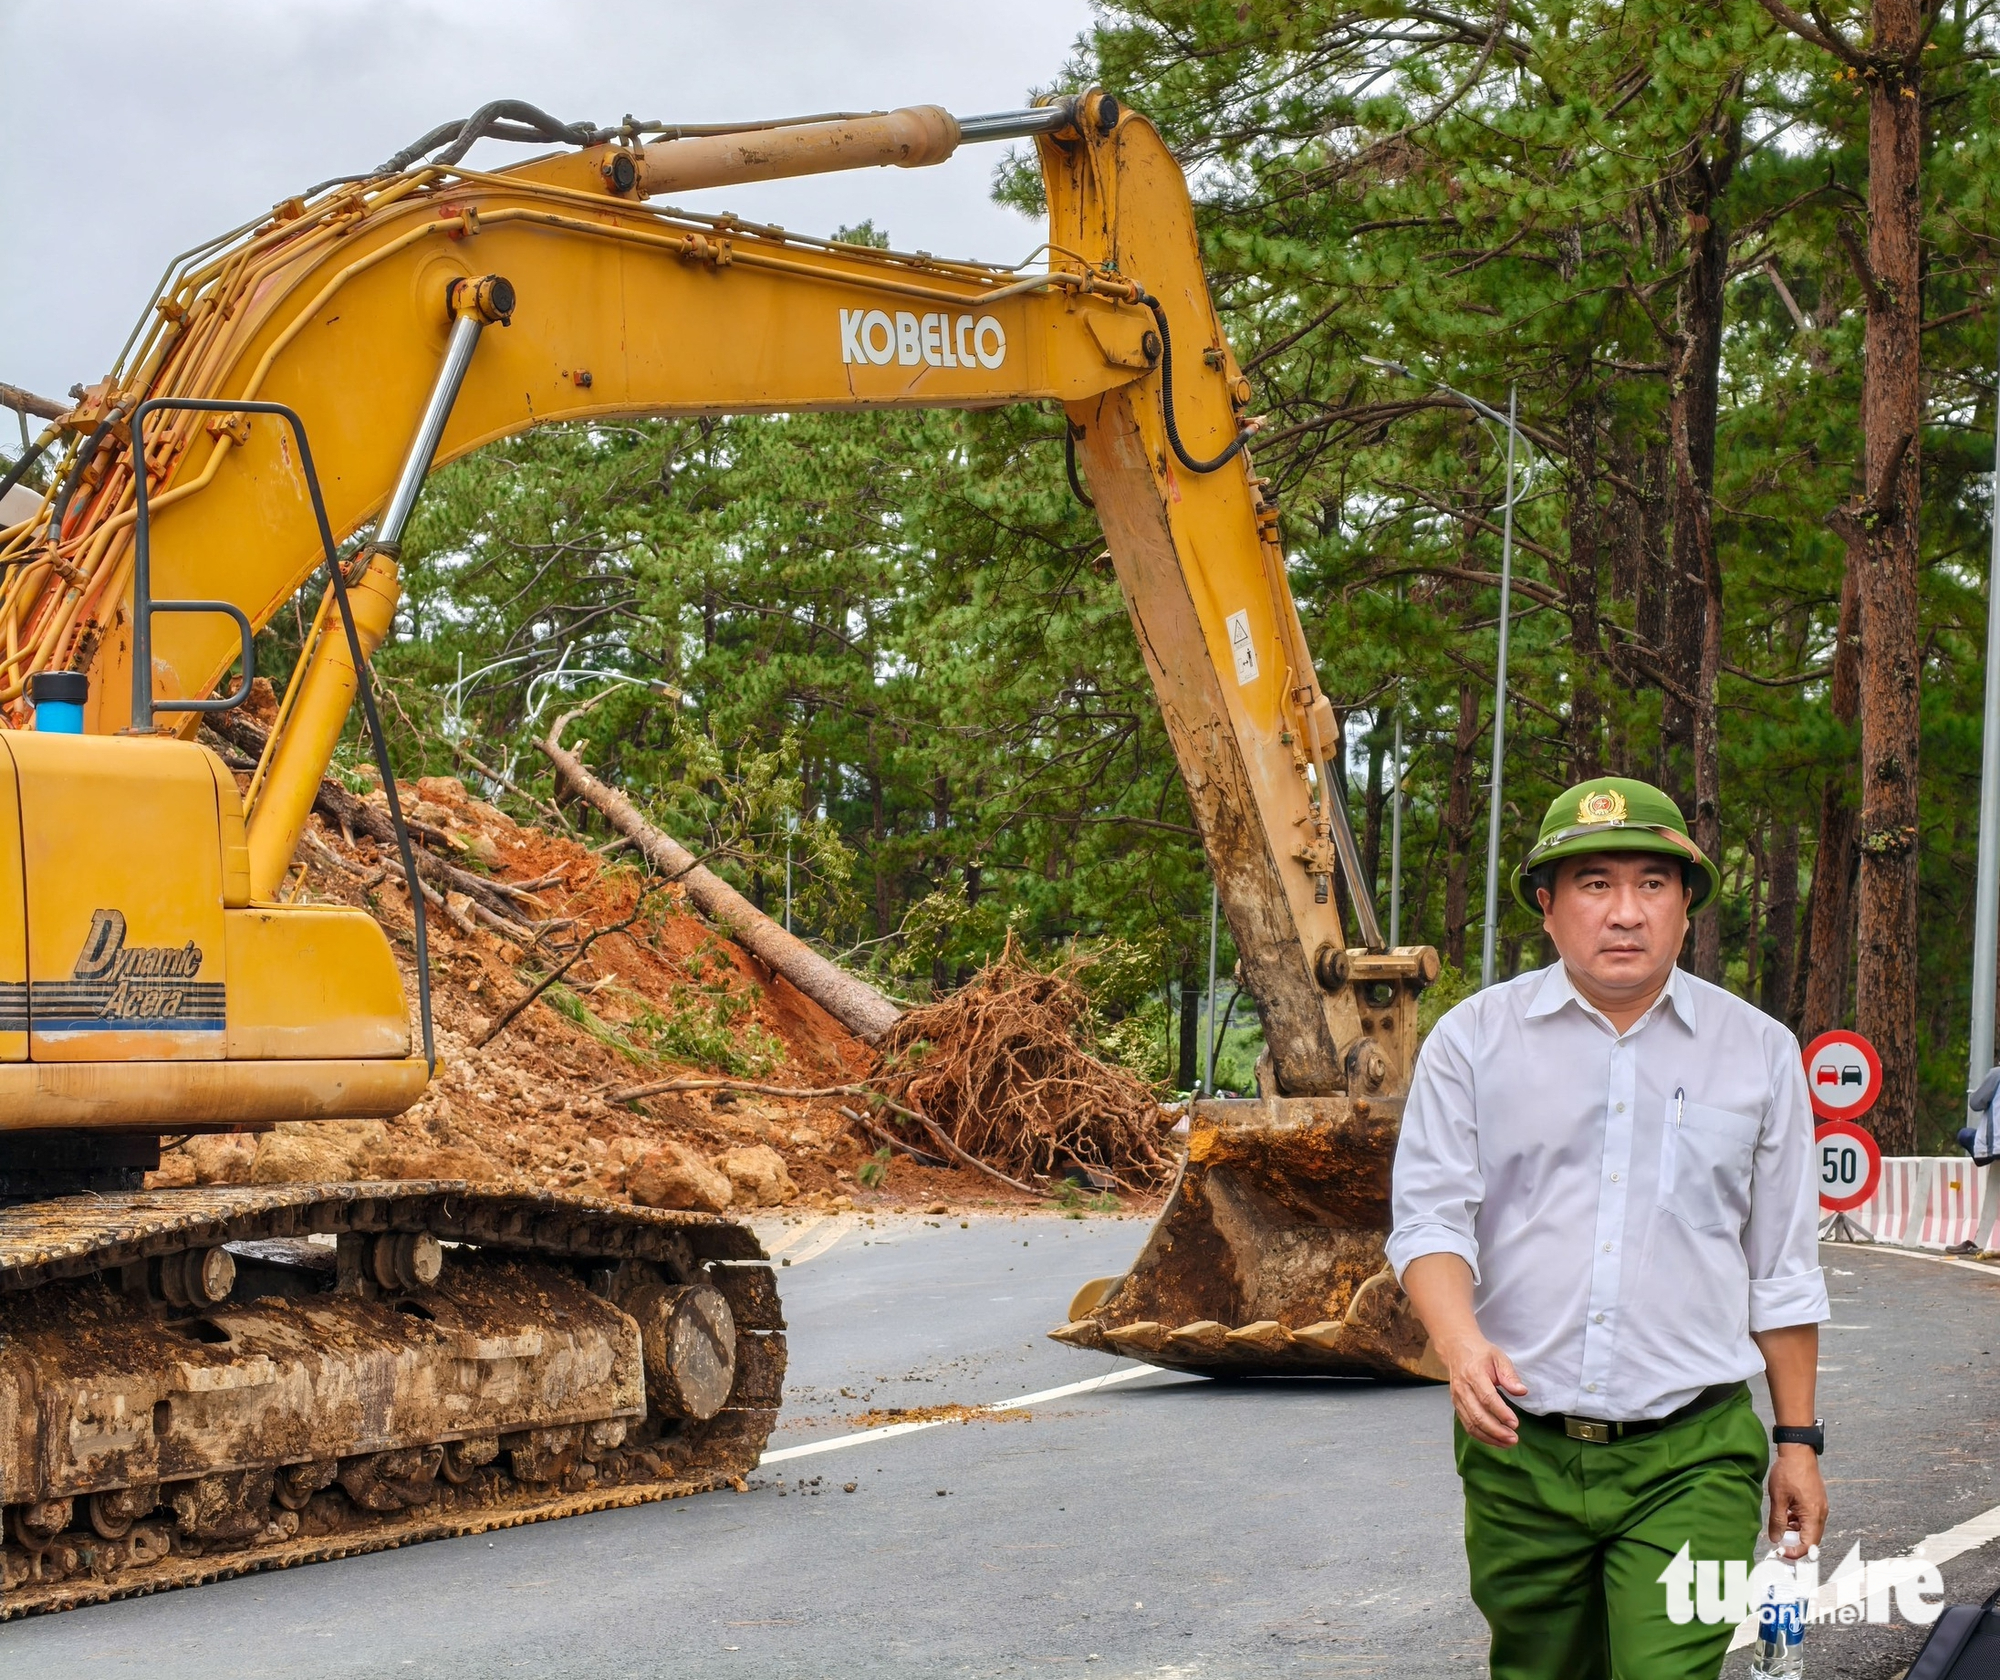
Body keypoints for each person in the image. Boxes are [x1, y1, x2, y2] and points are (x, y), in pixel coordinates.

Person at [1388, 776, 1829, 1680]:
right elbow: (1430, 1215)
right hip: (1521, 1455)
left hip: (1693, 1452)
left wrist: (1798, 1444)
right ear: (1547, 908)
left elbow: (1781, 1265)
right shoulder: (1471, 1042)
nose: (1624, 912)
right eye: (1594, 883)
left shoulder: (1758, 1052)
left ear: (1686, 906)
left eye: (1651, 884)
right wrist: (1462, 1345)